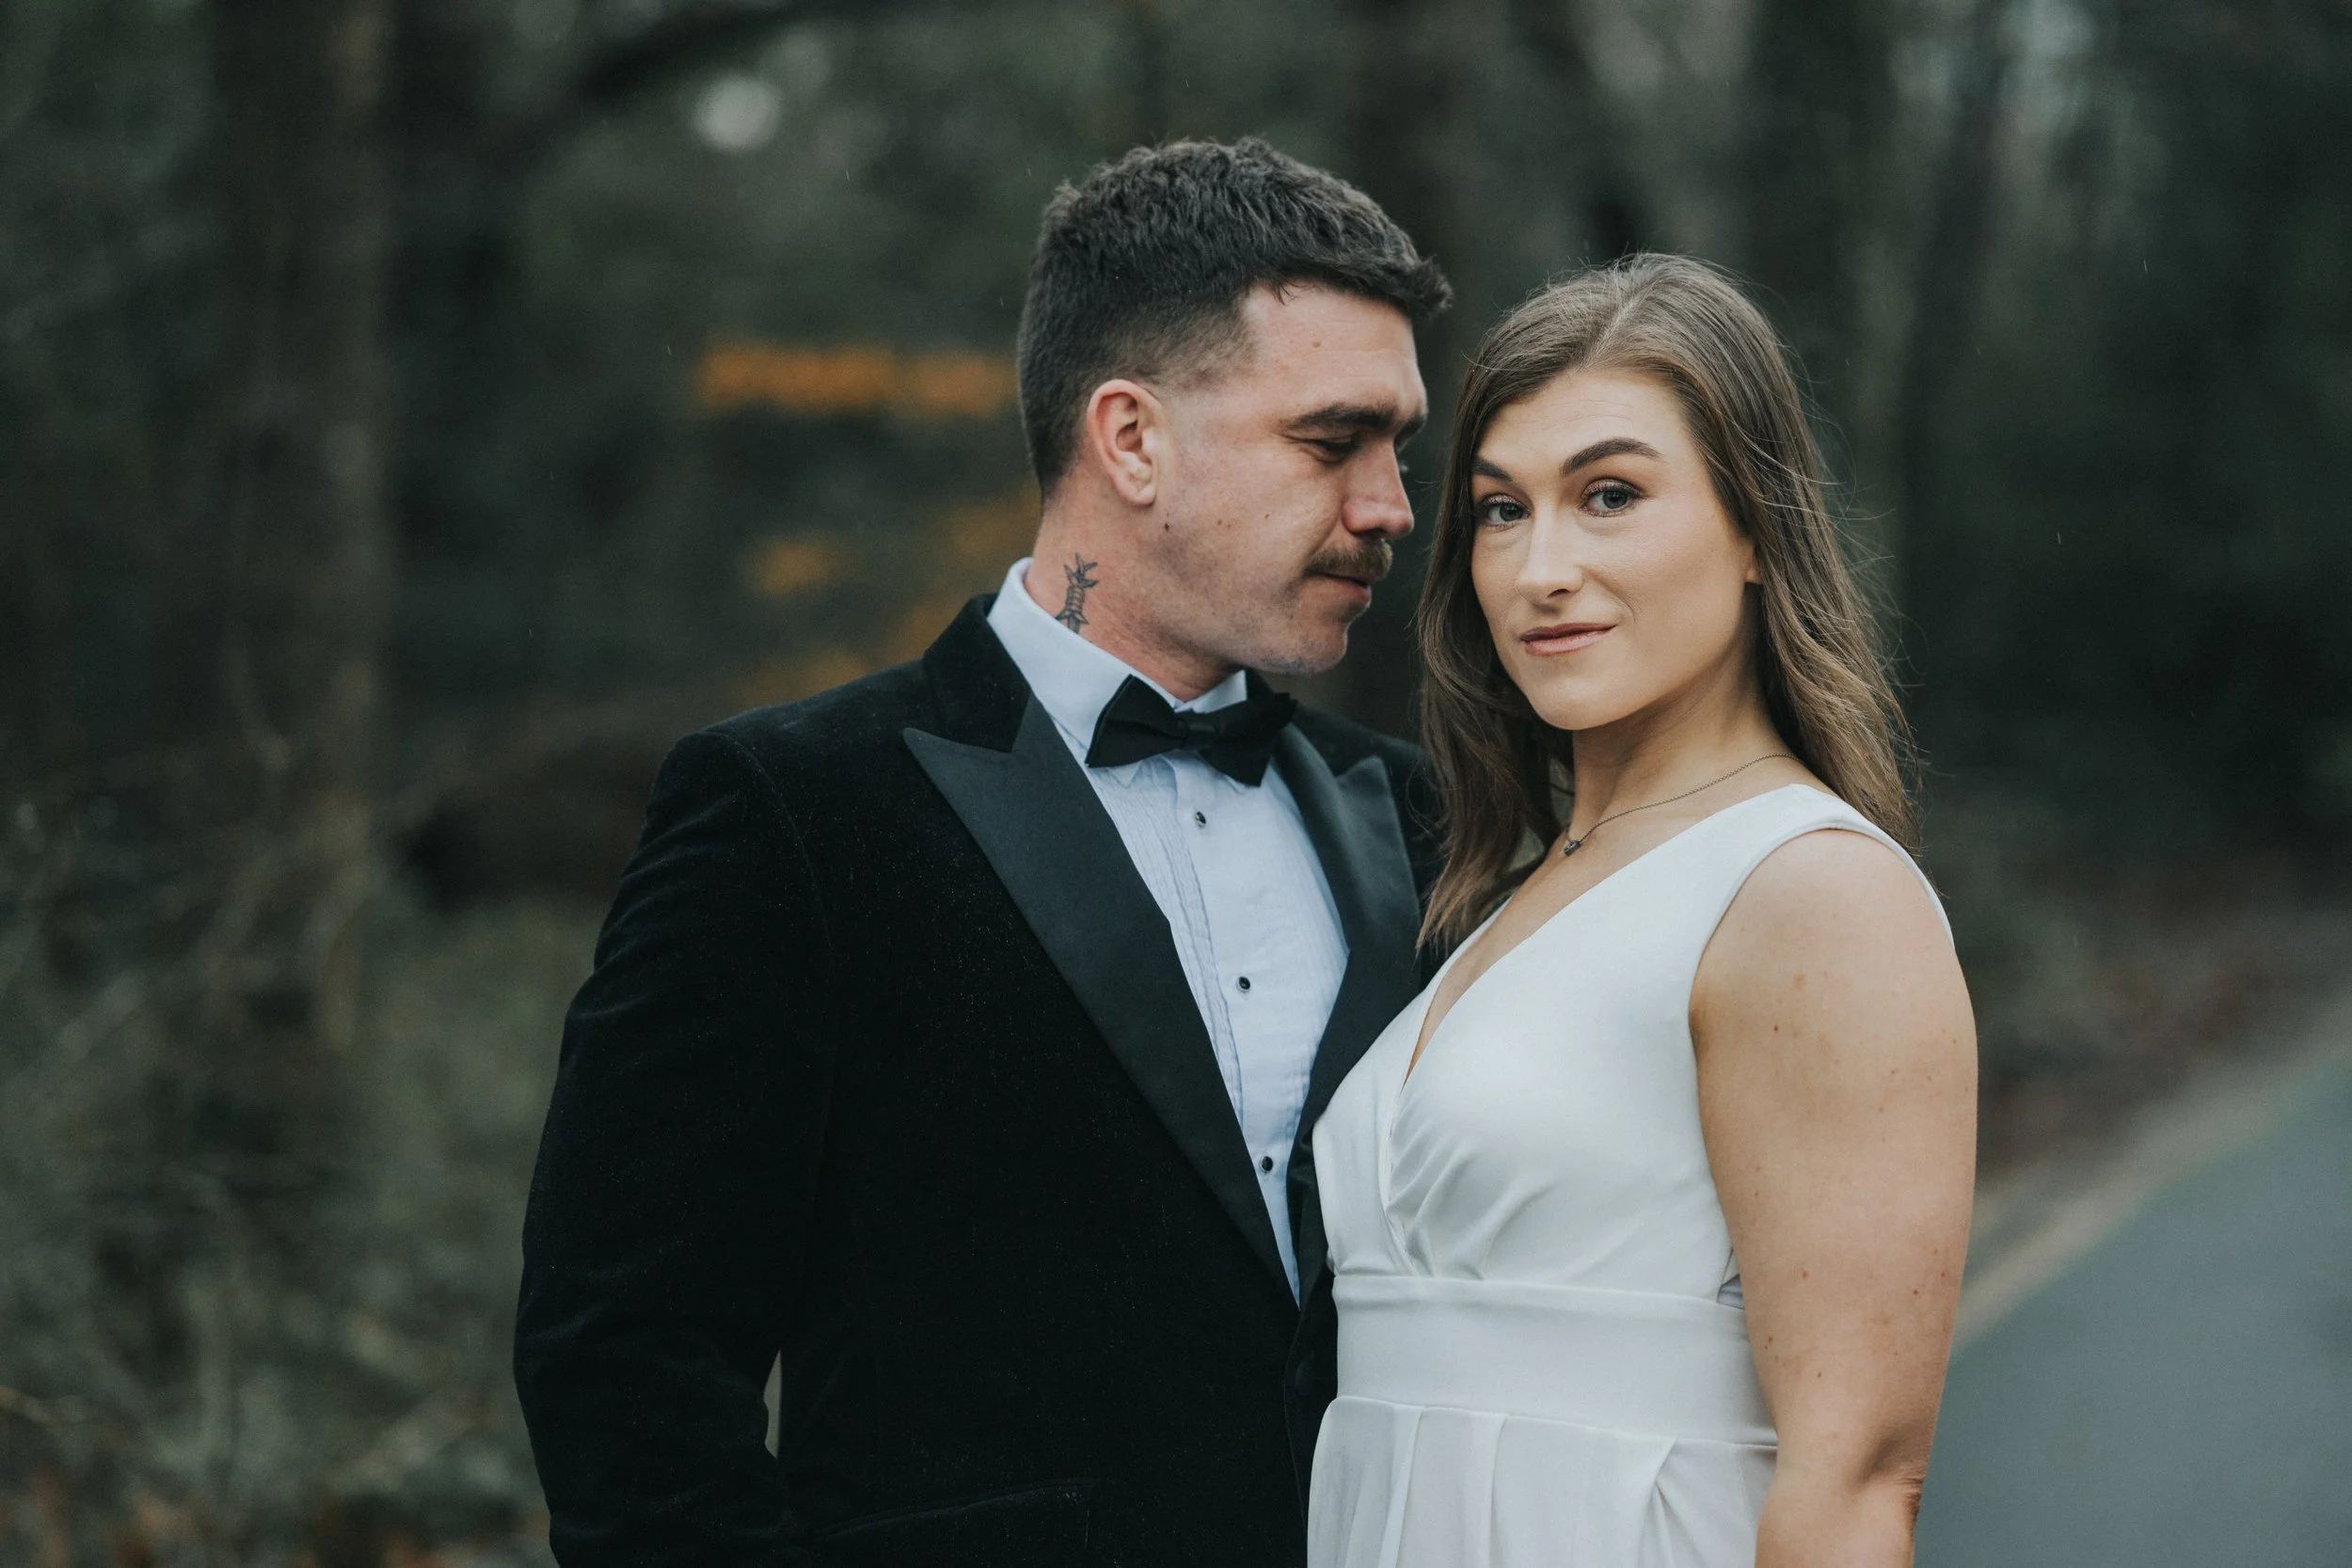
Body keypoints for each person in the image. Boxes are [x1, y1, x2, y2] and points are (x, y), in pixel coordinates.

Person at [514, 138, 1451, 1568]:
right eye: (1334, 442)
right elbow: (627, 1364)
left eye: (1400, 448)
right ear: (1129, 438)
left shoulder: (1418, 817)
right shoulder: (790, 811)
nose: (1390, 505)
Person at [1301, 255, 1978, 1568]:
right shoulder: (1503, 890)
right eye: (1502, 511)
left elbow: (1857, 1484)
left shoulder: (1810, 889)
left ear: (1753, 536)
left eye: (1609, 496)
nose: (1541, 566)